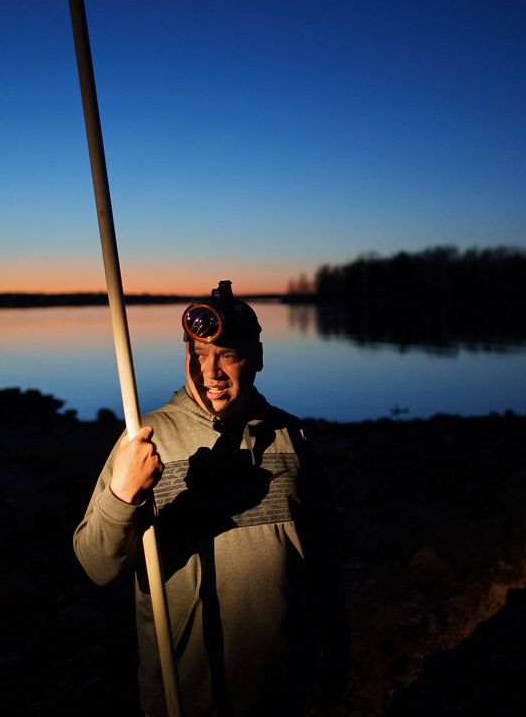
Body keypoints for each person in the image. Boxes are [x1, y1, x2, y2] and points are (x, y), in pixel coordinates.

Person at [73, 280, 349, 716]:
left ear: (255, 359)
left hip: (284, 692)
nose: (210, 372)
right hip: (184, 695)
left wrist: (337, 649)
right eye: (198, 354)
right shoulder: (144, 439)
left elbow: (324, 560)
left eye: (228, 355)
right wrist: (122, 494)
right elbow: (98, 568)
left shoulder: (291, 436)